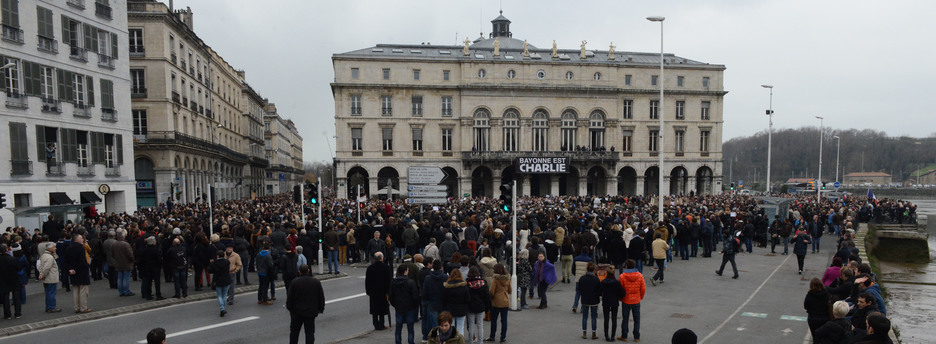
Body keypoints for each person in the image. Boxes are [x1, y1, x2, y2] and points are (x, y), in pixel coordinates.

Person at [287, 264, 325, 344]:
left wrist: (290, 309)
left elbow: (290, 298)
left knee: (294, 332)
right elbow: (321, 297)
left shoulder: (294, 282)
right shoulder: (316, 282)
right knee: (309, 333)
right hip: (310, 312)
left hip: (297, 312)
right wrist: (320, 309)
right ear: (308, 271)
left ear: (299, 272)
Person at [390, 264, 420, 344]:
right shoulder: (410, 282)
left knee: (398, 326)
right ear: (405, 271)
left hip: (399, 307)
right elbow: (415, 296)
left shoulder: (393, 282)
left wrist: (395, 304)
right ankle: (410, 341)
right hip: (409, 307)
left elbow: (391, 296)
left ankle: (398, 341)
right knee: (410, 327)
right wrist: (414, 305)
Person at [62, 234, 92, 313]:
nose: (82, 239)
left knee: (75, 290)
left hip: (72, 272)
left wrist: (70, 269)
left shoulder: (69, 248)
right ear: (77, 240)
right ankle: (83, 307)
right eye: (81, 238)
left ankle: (76, 307)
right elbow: (82, 261)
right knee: (83, 291)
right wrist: (81, 268)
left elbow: (65, 261)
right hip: (81, 271)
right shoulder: (80, 248)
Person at [618, 259, 645, 342]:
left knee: (625, 319)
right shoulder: (640, 276)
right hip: (636, 300)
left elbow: (620, 289)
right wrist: (640, 297)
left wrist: (621, 298)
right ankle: (636, 337)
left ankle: (624, 335)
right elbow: (643, 288)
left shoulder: (622, 276)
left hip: (626, 300)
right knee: (637, 319)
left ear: (626, 266)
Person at [422, 258, 448, 342]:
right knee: (444, 324)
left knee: (434, 325)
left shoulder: (428, 278)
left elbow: (425, 292)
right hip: (443, 303)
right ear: (441, 267)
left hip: (432, 303)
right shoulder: (445, 277)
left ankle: (436, 340)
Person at [366, 252, 393, 330]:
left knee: (374, 309)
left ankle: (375, 324)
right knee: (382, 309)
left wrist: (368, 291)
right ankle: (381, 324)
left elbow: (367, 281)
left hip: (373, 291)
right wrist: (388, 292)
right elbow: (389, 281)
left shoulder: (370, 268)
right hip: (383, 291)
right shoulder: (386, 267)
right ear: (382, 258)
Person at [442, 268, 471, 337]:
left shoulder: (447, 286)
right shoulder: (464, 286)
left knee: (451, 328)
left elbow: (444, 298)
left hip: (450, 309)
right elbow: (468, 299)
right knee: (460, 328)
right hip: (461, 309)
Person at [465, 266, 490, 344]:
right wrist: (487, 308)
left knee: (471, 325)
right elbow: (487, 297)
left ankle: (471, 341)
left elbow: (466, 296)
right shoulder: (483, 283)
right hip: (480, 306)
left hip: (470, 307)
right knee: (480, 325)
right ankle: (480, 342)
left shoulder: (467, 284)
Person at [486, 263, 510, 343]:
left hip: (496, 301)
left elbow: (491, 291)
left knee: (494, 320)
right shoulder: (507, 278)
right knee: (504, 321)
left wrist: (492, 298)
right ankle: (503, 337)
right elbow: (510, 290)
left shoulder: (495, 279)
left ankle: (492, 336)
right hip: (505, 301)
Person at [577, 262, 602, 340]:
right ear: (594, 270)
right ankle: (593, 333)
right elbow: (599, 291)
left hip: (585, 299)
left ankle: (584, 332)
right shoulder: (596, 279)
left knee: (585, 316)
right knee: (593, 317)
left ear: (586, 269)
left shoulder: (582, 278)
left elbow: (579, 289)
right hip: (594, 300)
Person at [600, 265, 623, 342]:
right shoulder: (617, 282)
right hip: (614, 301)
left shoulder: (603, 282)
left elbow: (599, 291)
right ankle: (613, 336)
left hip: (606, 301)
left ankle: (606, 335)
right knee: (614, 319)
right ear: (614, 273)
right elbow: (622, 293)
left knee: (606, 319)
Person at [137, 236, 164, 300]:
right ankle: (158, 294)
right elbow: (159, 259)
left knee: (148, 281)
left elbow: (141, 260)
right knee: (157, 282)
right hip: (155, 268)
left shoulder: (145, 250)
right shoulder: (156, 250)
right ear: (154, 242)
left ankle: (148, 295)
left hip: (147, 267)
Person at [37, 242, 62, 313]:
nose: (55, 248)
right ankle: (51, 307)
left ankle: (49, 307)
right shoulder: (50, 257)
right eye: (54, 247)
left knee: (48, 292)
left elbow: (40, 266)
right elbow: (47, 267)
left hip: (46, 278)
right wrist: (43, 274)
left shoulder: (43, 255)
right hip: (51, 277)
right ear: (49, 248)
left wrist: (41, 273)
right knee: (51, 293)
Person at [0, 244, 22, 318]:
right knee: (16, 296)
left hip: (3, 280)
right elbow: (19, 268)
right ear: (6, 250)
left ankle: (7, 314)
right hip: (14, 279)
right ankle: (17, 313)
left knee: (5, 298)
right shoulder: (13, 259)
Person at [208, 250, 231, 317]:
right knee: (224, 295)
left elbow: (210, 270)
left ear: (217, 256)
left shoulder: (215, 263)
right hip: (226, 280)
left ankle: (222, 308)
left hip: (217, 280)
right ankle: (223, 308)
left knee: (219, 295)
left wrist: (211, 263)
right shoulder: (227, 262)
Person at [112, 232, 135, 297]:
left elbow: (112, 254)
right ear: (123, 237)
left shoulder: (114, 244)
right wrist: (132, 260)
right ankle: (126, 291)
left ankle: (121, 292)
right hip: (126, 263)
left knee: (120, 278)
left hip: (118, 262)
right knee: (126, 278)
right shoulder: (126, 244)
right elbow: (130, 255)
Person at [571, 247, 594, 312]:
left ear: (581, 251)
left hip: (578, 278)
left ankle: (575, 306)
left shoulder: (576, 259)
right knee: (585, 293)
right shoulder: (589, 260)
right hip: (586, 279)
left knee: (578, 292)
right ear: (587, 252)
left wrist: (576, 274)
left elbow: (573, 269)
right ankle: (582, 308)